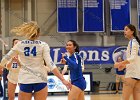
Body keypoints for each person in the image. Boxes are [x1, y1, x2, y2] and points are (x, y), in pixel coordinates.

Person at [0, 21, 71, 100]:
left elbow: (5, 59)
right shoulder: (43, 45)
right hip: (40, 80)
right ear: (38, 33)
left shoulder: (19, 45)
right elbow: (51, 64)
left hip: (25, 81)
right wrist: (63, 80)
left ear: (27, 32)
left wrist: (0, 67)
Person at [114, 24, 140, 100]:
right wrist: (125, 66)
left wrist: (120, 63)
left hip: (131, 74)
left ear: (132, 31)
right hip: (138, 75)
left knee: (125, 98)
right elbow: (136, 60)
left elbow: (133, 58)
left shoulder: (132, 42)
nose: (124, 31)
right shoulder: (136, 43)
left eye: (126, 29)